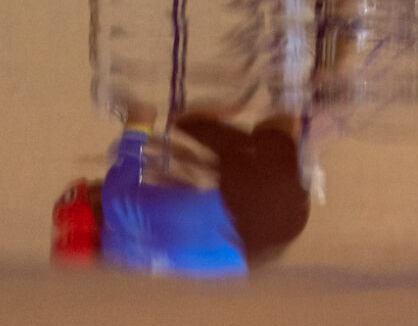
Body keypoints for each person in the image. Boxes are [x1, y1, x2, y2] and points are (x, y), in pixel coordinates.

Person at [51, 101, 310, 277]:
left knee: (267, 154)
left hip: (284, 232)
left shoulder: (138, 272)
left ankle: (295, 117)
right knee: (188, 122)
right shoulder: (115, 202)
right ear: (92, 208)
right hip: (253, 198)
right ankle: (278, 93)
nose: (98, 182)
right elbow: (143, 112)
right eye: (92, 188)